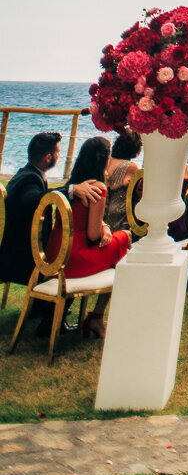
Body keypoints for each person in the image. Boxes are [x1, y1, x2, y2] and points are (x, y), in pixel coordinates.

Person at [0, 131, 105, 335]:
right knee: (71, 261)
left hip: (16, 250)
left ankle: (39, 309)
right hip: (19, 258)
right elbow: (35, 199)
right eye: (58, 152)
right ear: (49, 158)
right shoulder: (29, 180)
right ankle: (50, 322)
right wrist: (72, 190)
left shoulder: (25, 173)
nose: (59, 155)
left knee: (65, 253)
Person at [46, 137, 131, 336]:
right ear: (104, 160)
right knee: (125, 238)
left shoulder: (73, 185)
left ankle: (92, 317)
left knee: (118, 241)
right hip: (73, 258)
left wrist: (105, 226)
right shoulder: (97, 188)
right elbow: (93, 235)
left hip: (54, 255)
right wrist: (105, 230)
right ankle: (97, 316)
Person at [104, 130, 142, 233]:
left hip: (102, 216)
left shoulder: (106, 162)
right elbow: (142, 191)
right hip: (119, 220)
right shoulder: (130, 167)